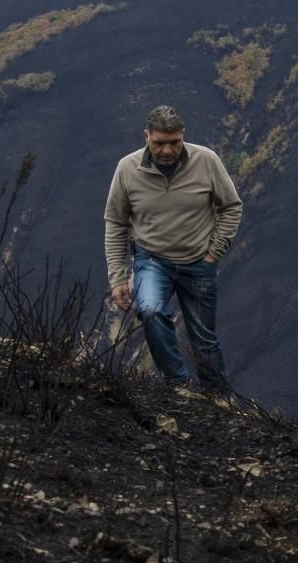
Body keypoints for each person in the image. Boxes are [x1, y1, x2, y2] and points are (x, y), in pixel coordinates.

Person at [104, 105, 242, 393]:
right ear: (146, 137)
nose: (167, 150)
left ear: (183, 136)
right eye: (159, 143)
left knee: (203, 338)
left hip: (198, 262)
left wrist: (214, 253)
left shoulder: (206, 161)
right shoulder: (127, 169)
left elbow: (230, 206)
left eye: (174, 142)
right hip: (152, 260)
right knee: (151, 311)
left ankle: (219, 400)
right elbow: (116, 223)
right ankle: (179, 385)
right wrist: (117, 277)